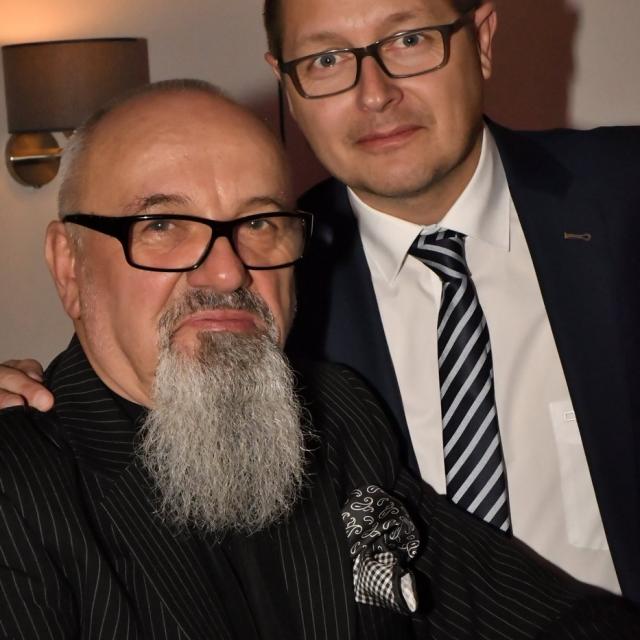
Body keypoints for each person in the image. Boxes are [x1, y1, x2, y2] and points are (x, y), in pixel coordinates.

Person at [2, 0, 639, 604]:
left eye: (409, 39)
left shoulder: (625, 193)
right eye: (326, 59)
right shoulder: (257, 299)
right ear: (286, 82)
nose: (375, 93)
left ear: (483, 40)